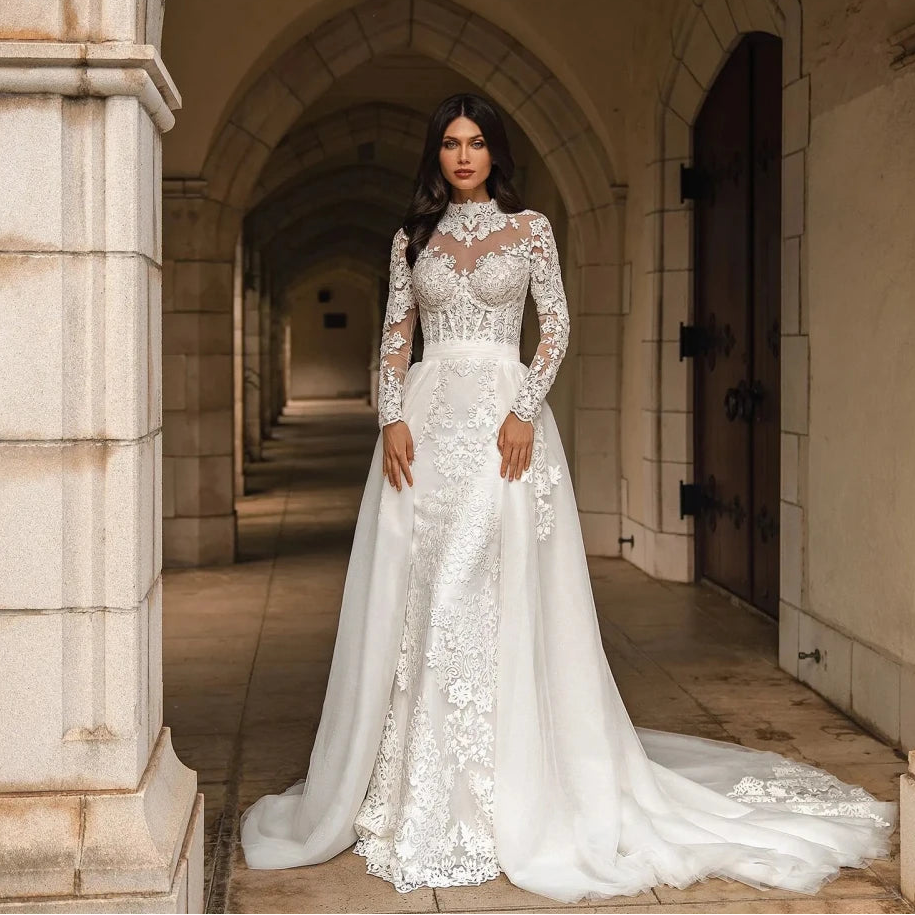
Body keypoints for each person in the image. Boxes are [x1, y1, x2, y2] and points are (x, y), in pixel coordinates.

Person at [239, 92, 895, 904]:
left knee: (481, 591)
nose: (464, 156)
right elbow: (394, 335)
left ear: (494, 152)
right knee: (419, 598)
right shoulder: (411, 238)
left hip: (504, 429)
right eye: (449, 143)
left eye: (476, 142)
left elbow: (555, 328)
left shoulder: (532, 229)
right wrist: (391, 414)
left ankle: (494, 787)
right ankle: (419, 785)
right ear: (434, 156)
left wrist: (522, 410)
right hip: (427, 429)